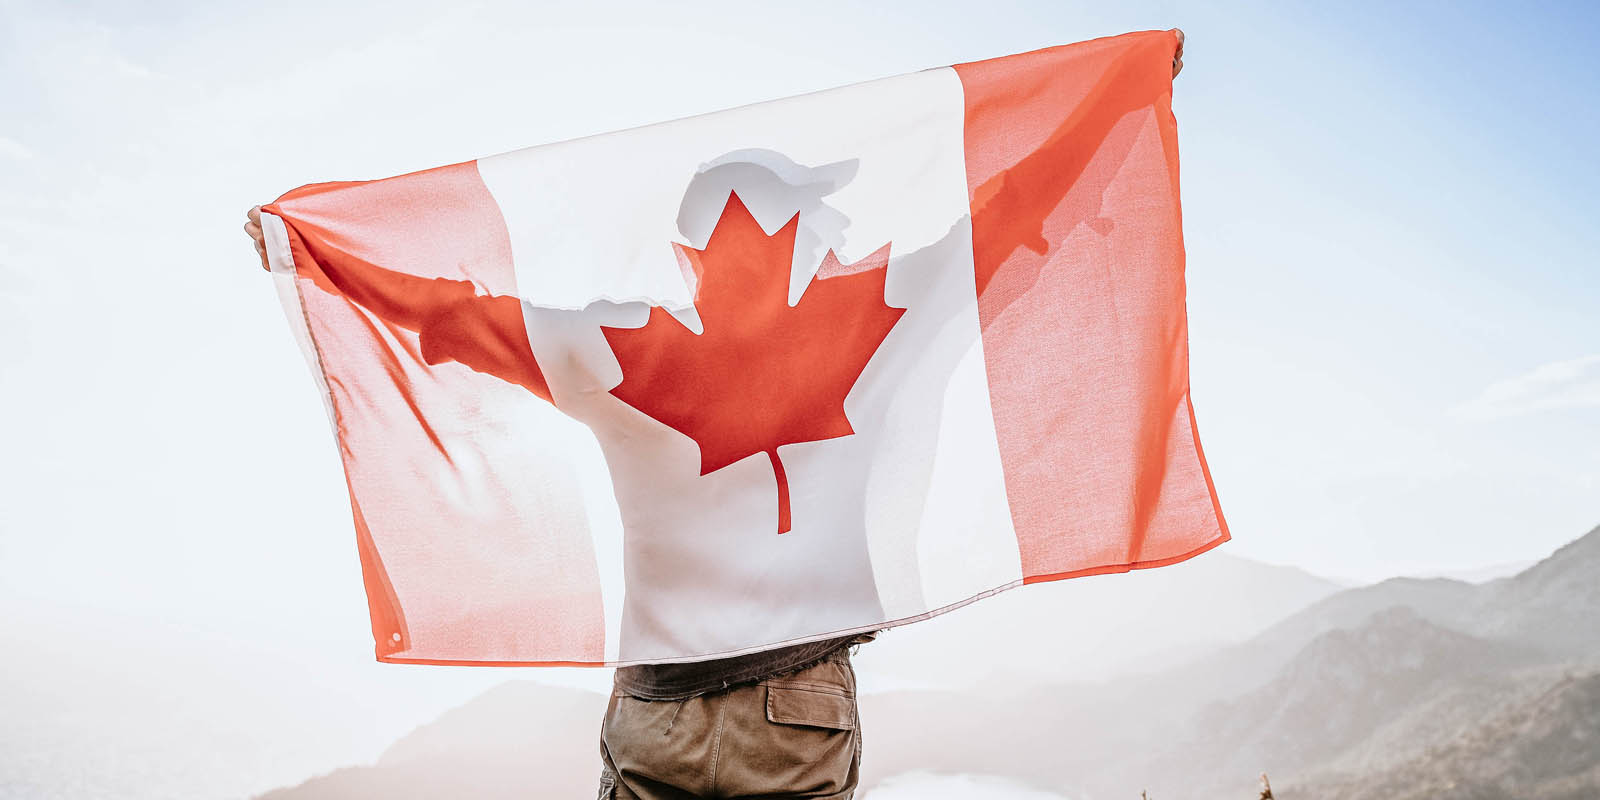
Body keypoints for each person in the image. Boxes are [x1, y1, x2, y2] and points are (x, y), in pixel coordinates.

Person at [243, 29, 1185, 799]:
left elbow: (452, 310)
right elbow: (1013, 209)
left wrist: (313, 253)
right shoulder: (881, 314)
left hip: (657, 708)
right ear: (791, 227)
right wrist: (1123, 97)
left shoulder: (611, 345)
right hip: (798, 705)